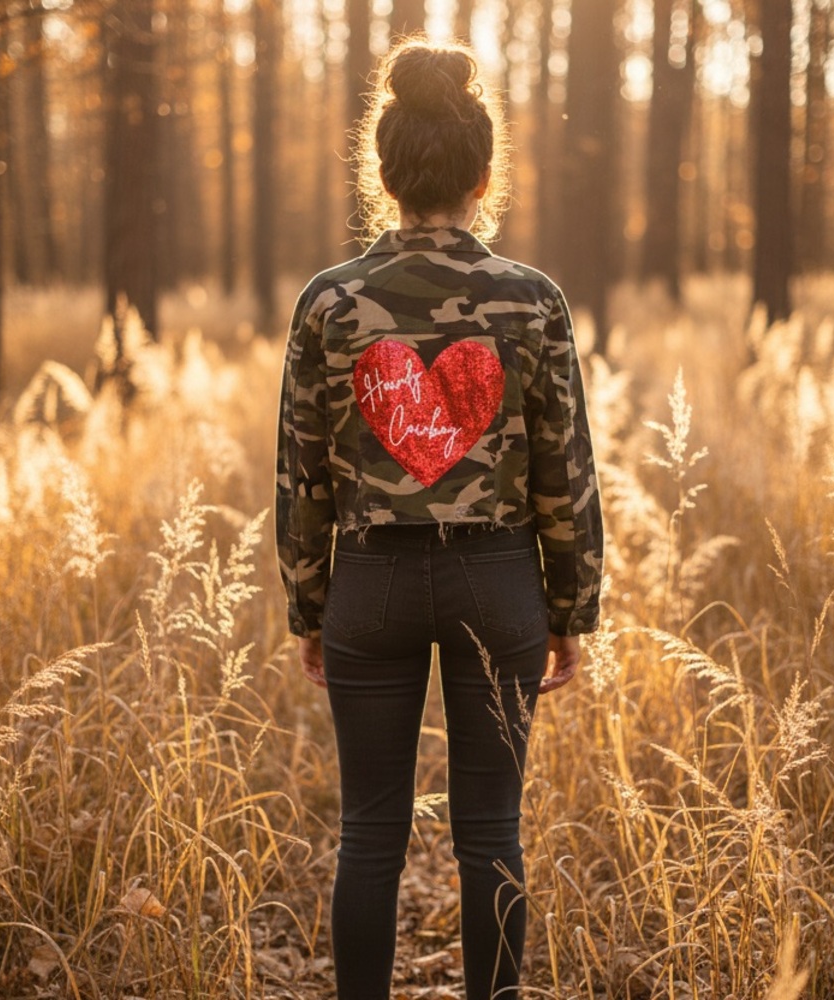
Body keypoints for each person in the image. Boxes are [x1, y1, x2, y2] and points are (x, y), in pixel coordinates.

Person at [275, 38, 603, 1000]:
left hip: (369, 586)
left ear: (383, 173)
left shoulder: (328, 303)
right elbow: (564, 471)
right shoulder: (531, 299)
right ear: (483, 171)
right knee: (491, 832)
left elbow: (302, 476)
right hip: (495, 583)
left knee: (370, 832)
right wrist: (570, 609)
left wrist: (309, 608)